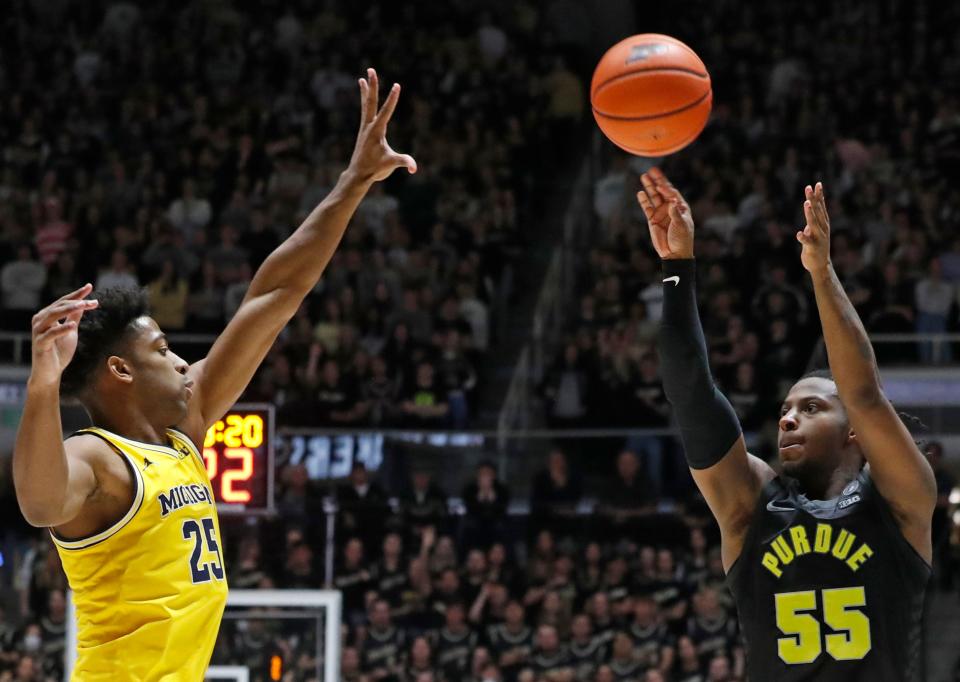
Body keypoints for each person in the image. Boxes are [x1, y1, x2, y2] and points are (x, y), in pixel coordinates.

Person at [12, 68, 416, 680]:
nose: (181, 362)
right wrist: (43, 381)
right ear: (120, 369)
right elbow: (41, 503)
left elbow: (274, 293)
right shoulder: (97, 458)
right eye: (164, 349)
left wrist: (353, 182)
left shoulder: (184, 428)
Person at [637, 168, 934, 681]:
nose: (790, 419)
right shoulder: (752, 505)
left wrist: (821, 273)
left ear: (854, 433)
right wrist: (676, 266)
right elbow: (690, 393)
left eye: (812, 408)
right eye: (785, 412)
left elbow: (862, 392)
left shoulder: (899, 503)